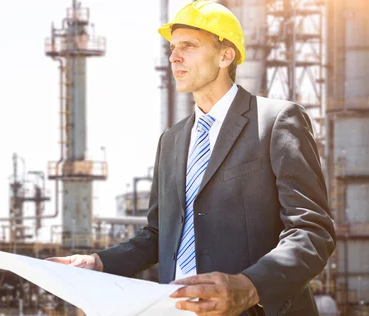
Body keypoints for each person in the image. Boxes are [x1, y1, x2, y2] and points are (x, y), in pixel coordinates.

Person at [46, 1, 336, 315]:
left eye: (189, 46)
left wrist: (250, 287)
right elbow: (159, 234)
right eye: (172, 48)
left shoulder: (275, 121)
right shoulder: (170, 141)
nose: (174, 57)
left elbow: (312, 231)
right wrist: (99, 262)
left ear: (226, 56)